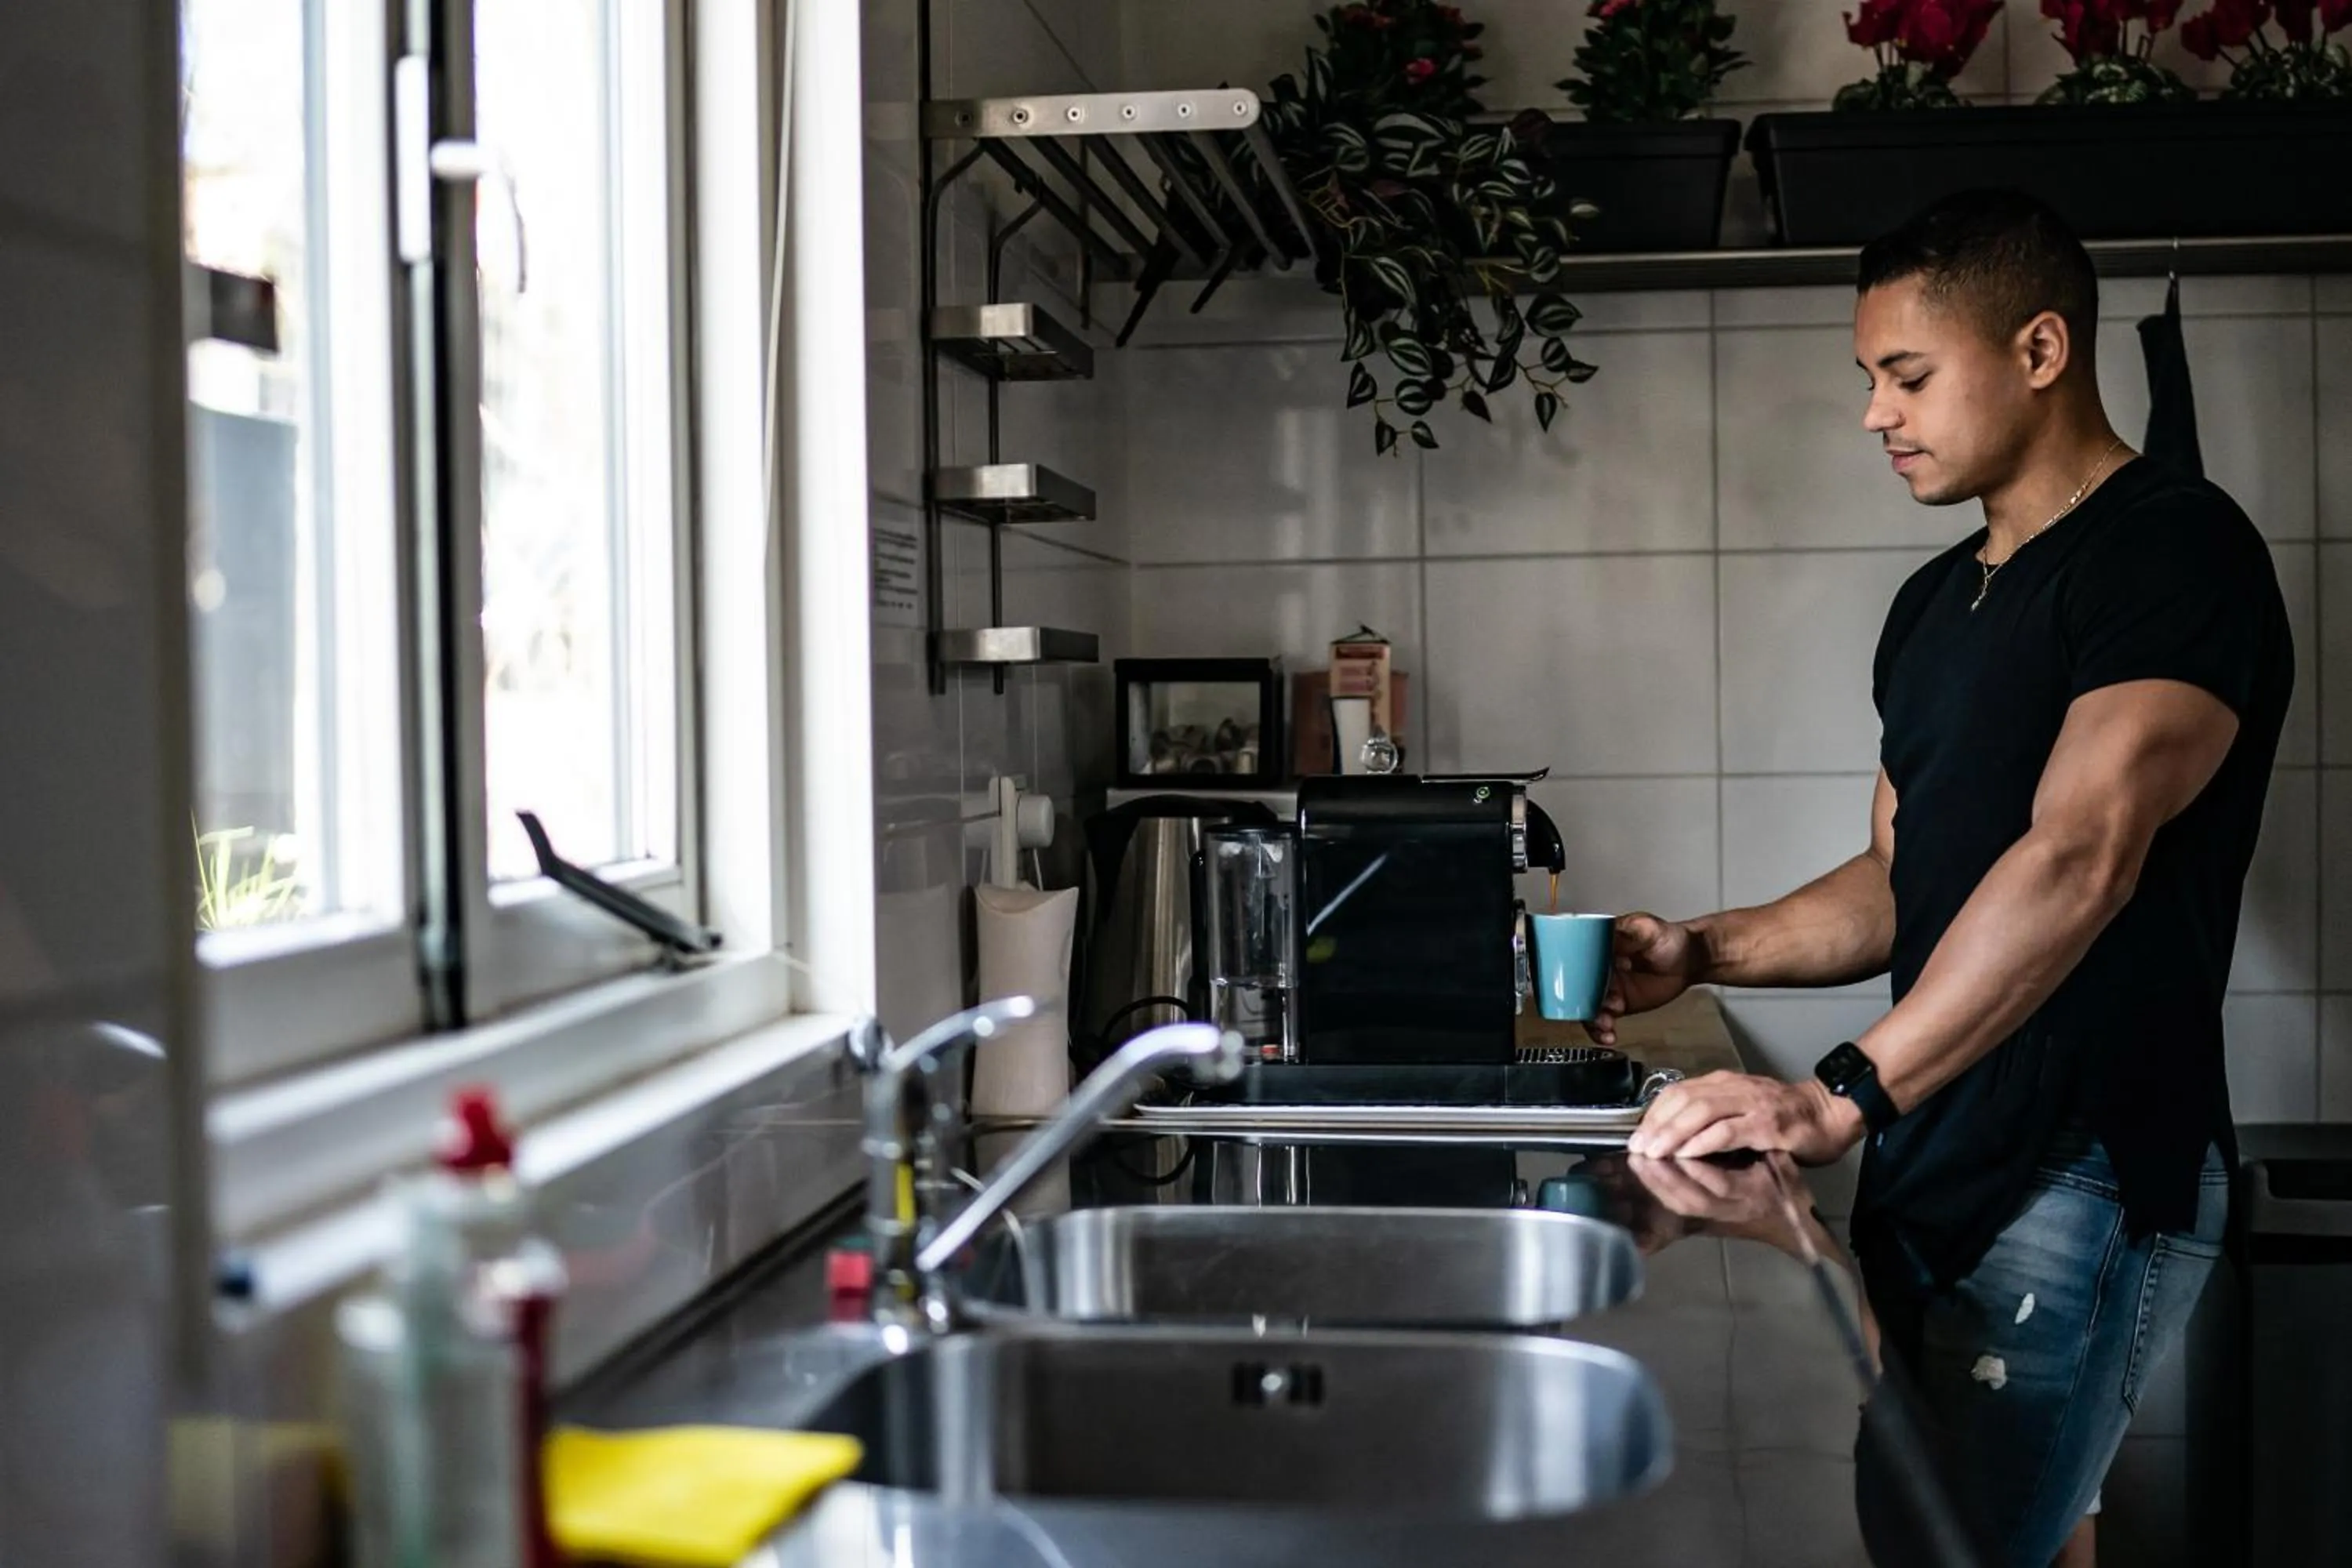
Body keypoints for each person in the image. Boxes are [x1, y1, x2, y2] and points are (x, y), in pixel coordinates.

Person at [1592, 189, 2294, 1568]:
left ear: (2040, 350)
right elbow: (1901, 877)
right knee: (1980, 1532)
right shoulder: (1935, 602)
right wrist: (1704, 950)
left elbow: (2081, 855)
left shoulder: (2175, 548)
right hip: (1937, 1147)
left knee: (1951, 1545)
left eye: (1907, 376)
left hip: (2083, 1162)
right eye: (1870, 379)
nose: (1875, 414)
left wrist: (1832, 1095)